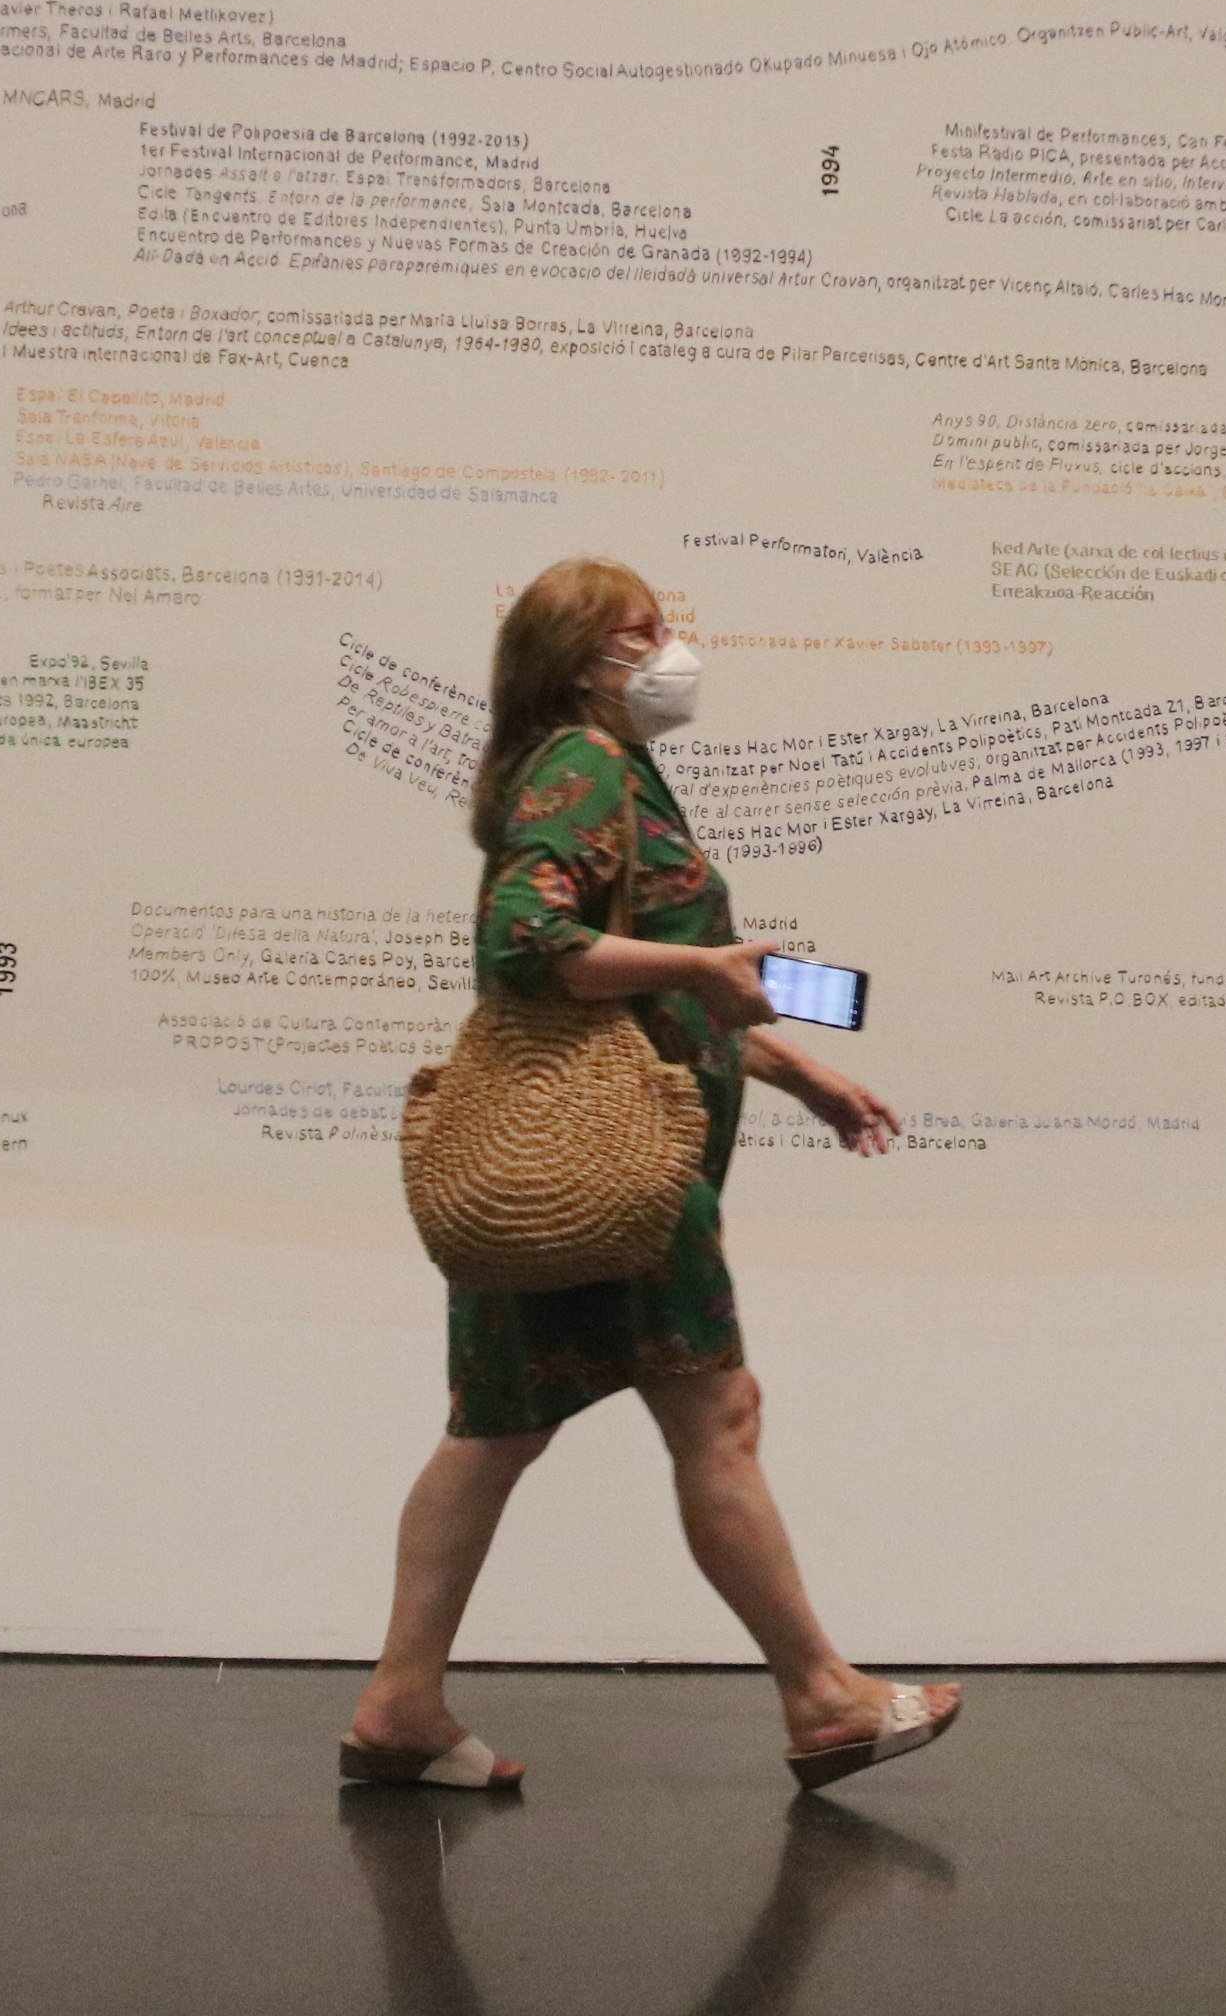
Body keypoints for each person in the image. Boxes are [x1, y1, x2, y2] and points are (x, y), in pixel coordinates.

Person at [342, 557, 962, 1795]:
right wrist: (700, 971)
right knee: (715, 1418)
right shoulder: (586, 765)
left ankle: (402, 1701)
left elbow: (662, 979)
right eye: (646, 630)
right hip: (619, 1176)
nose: (674, 650)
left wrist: (798, 1070)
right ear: (584, 659)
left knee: (496, 1428)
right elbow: (528, 940)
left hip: (553, 1172)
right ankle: (824, 1696)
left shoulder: (601, 767)